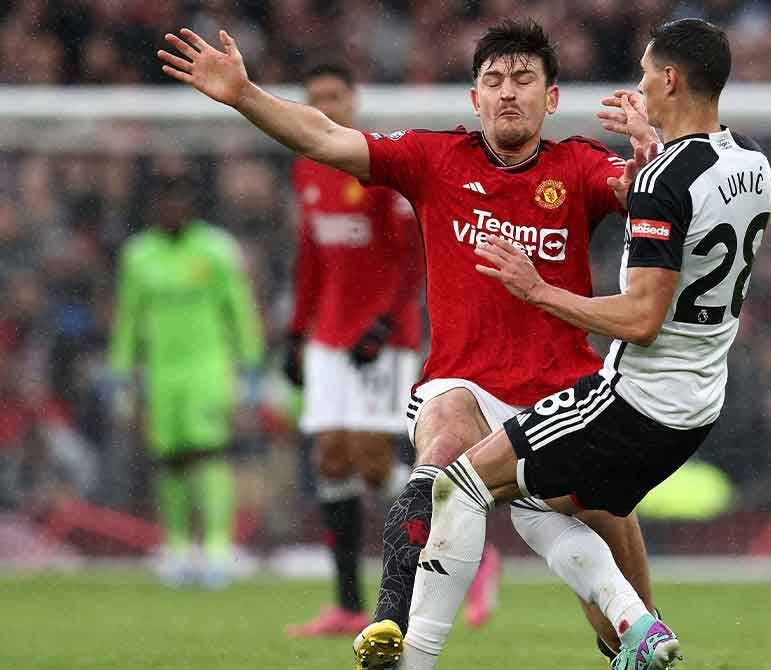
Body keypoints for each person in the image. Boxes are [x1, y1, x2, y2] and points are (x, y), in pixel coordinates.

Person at [156, 19, 661, 668]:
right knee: (441, 456)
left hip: (562, 398)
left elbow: (645, 194)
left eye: (524, 79)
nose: (508, 92)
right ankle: (396, 638)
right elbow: (326, 137)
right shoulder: (435, 158)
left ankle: (634, 635)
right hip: (465, 385)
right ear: (474, 98)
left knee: (618, 609)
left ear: (551, 97)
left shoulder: (580, 166)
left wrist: (653, 153)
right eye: (494, 80)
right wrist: (245, 94)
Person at [403, 18, 771, 670]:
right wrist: (650, 153)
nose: (637, 86)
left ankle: (416, 657)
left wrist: (536, 289)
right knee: (530, 501)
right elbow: (688, 197)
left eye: (643, 73)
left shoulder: (662, 181)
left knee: (460, 486)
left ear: (669, 80)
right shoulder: (752, 162)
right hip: (699, 400)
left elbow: (641, 319)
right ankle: (634, 633)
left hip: (633, 401)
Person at [282, 60, 425, 638]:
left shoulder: (377, 164)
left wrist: (387, 323)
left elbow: (415, 257)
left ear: (354, 98)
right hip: (328, 336)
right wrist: (295, 331)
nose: (326, 107)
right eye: (314, 98)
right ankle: (346, 604)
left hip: (383, 340)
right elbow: (311, 257)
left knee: (371, 461)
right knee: (331, 459)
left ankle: (454, 532)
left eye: (334, 96)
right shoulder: (305, 170)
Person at [109, 177, 264, 589]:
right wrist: (122, 370)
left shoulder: (215, 249)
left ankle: (216, 548)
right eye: (164, 202)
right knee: (169, 460)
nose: (171, 209)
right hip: (161, 372)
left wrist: (249, 363)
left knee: (208, 454)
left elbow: (239, 307)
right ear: (154, 208)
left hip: (207, 367)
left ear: (191, 205)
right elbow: (129, 317)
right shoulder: (138, 255)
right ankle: (176, 548)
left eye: (178, 201)